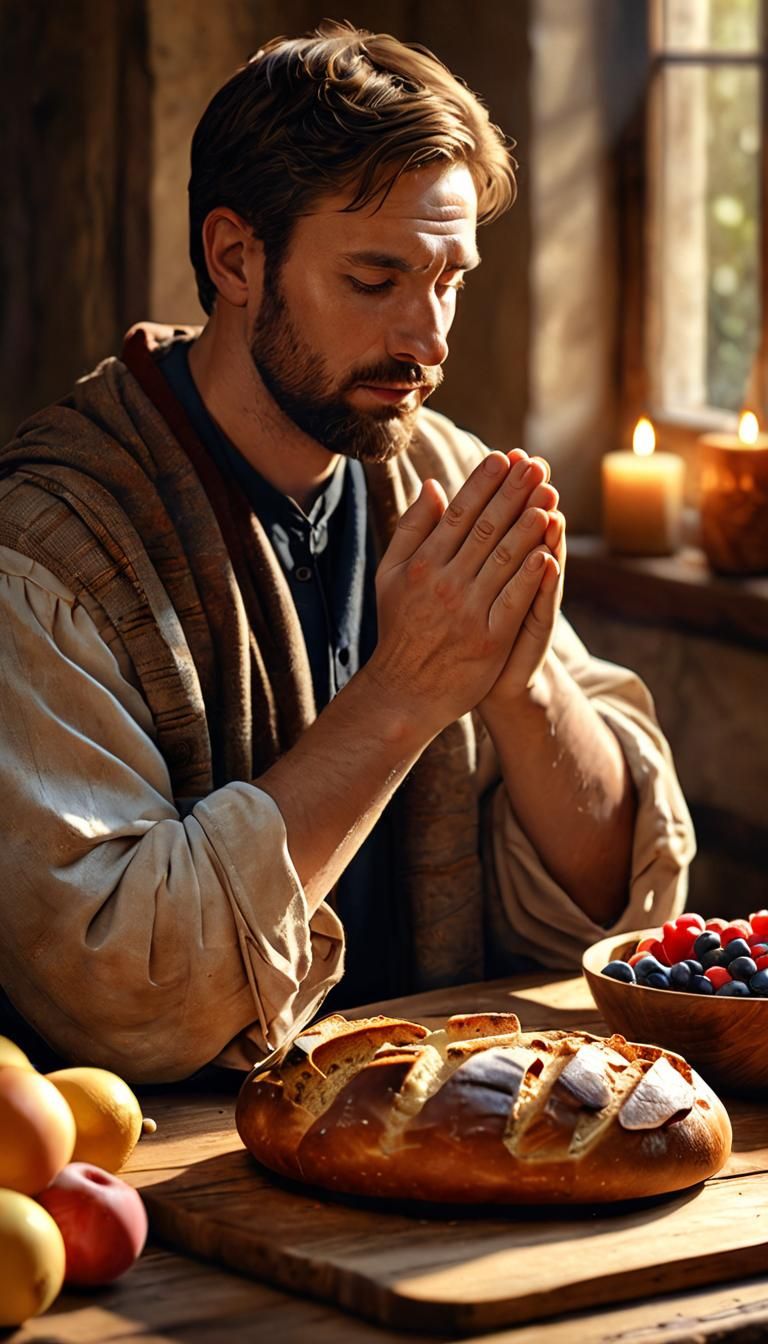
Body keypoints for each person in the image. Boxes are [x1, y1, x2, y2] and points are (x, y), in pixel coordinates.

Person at [0, 22, 694, 1082]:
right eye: (376, 279)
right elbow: (122, 999)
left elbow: (612, 898)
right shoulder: (49, 550)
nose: (429, 339)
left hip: (443, 1132)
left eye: (449, 278)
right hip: (163, 1178)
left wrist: (523, 687)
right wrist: (410, 690)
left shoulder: (448, 476)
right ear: (236, 256)